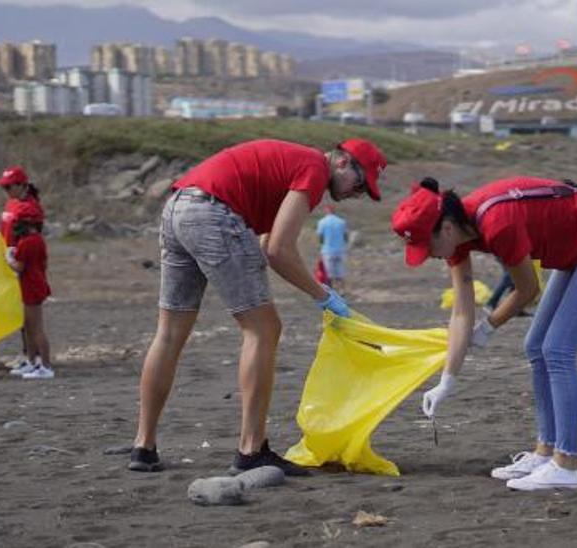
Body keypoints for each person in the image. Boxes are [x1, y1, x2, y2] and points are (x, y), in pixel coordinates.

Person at [129, 138, 388, 476]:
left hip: (178, 207)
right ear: (341, 163)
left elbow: (268, 242)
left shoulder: (295, 163)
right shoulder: (313, 167)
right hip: (213, 213)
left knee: (170, 332)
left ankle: (143, 446)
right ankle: (252, 449)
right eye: (361, 183)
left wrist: (311, 288)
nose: (360, 194)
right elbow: (279, 251)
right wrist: (323, 296)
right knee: (263, 329)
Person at [392, 176, 577, 491]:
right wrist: (447, 381)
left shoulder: (497, 225)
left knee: (558, 350)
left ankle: (566, 464)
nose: (429, 255)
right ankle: (545, 453)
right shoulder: (456, 235)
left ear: (446, 228)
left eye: (428, 246)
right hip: (576, 251)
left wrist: (488, 327)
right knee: (536, 346)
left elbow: (528, 289)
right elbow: (462, 311)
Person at [0, 166, 45, 375]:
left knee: (31, 318)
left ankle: (38, 359)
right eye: (4, 188)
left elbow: (31, 236)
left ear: (22, 185)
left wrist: (17, 255)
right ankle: (29, 357)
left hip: (21, 262)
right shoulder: (12, 203)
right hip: (10, 260)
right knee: (21, 315)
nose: (6, 191)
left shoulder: (30, 208)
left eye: (9, 187)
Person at [5, 215, 54, 380]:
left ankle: (45, 366)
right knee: (28, 325)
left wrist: (9, 258)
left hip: (31, 287)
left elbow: (19, 266)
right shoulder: (39, 240)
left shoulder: (26, 242)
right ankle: (32, 362)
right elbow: (44, 263)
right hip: (36, 284)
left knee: (36, 328)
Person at [315, 204, 348, 292]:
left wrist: (322, 244)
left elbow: (320, 236)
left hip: (327, 250)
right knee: (340, 271)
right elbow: (345, 236)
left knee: (328, 272)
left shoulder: (322, 222)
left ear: (326, 211)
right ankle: (341, 290)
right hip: (340, 249)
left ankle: (330, 290)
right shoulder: (341, 222)